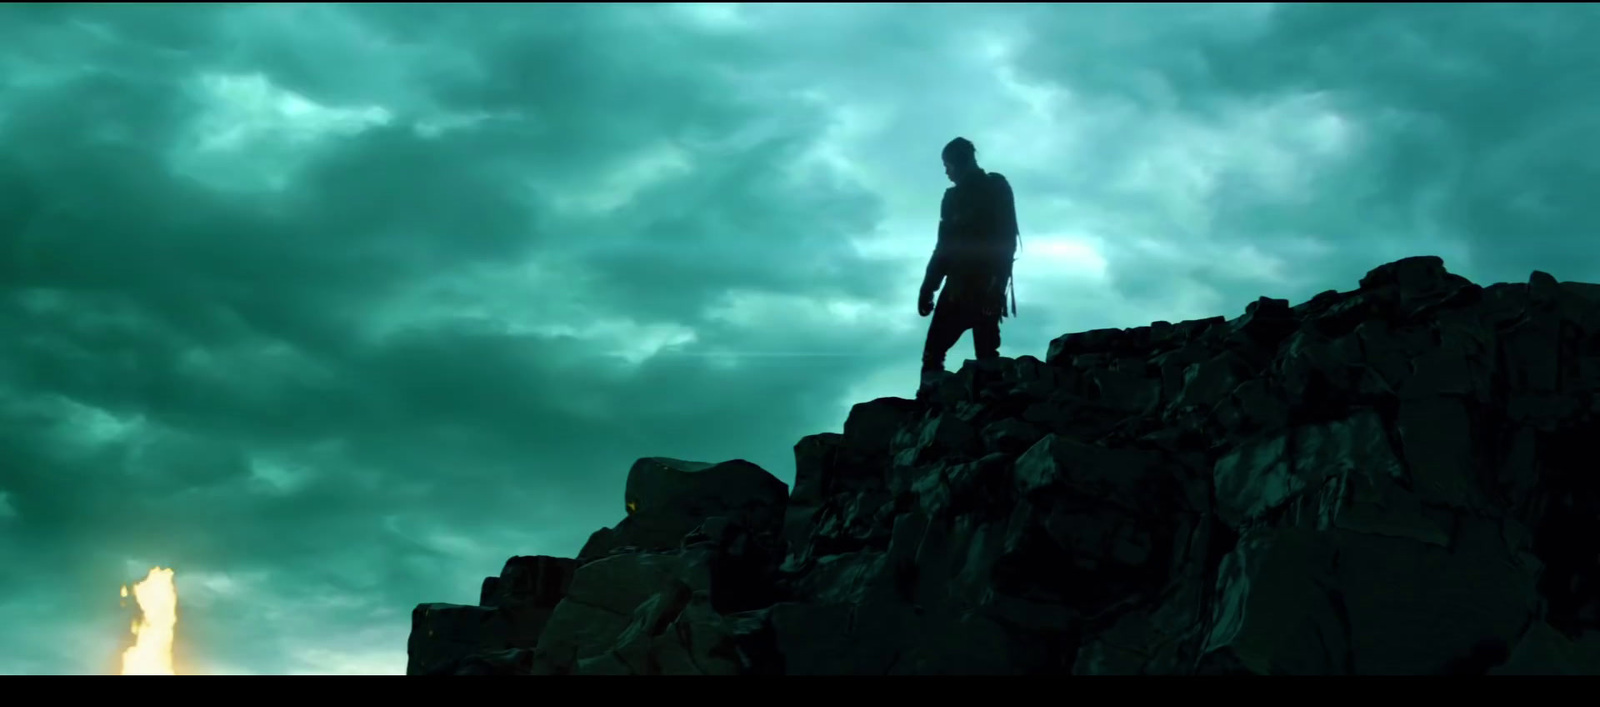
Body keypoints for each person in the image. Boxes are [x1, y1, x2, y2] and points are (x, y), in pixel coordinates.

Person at [918, 137, 1019, 397]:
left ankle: (936, 401)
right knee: (981, 347)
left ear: (957, 163)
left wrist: (928, 288)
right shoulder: (989, 188)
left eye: (947, 165)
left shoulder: (974, 191)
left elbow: (945, 246)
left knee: (936, 351)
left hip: (968, 283)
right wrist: (929, 286)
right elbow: (1007, 238)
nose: (946, 171)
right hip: (980, 280)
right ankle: (986, 399)